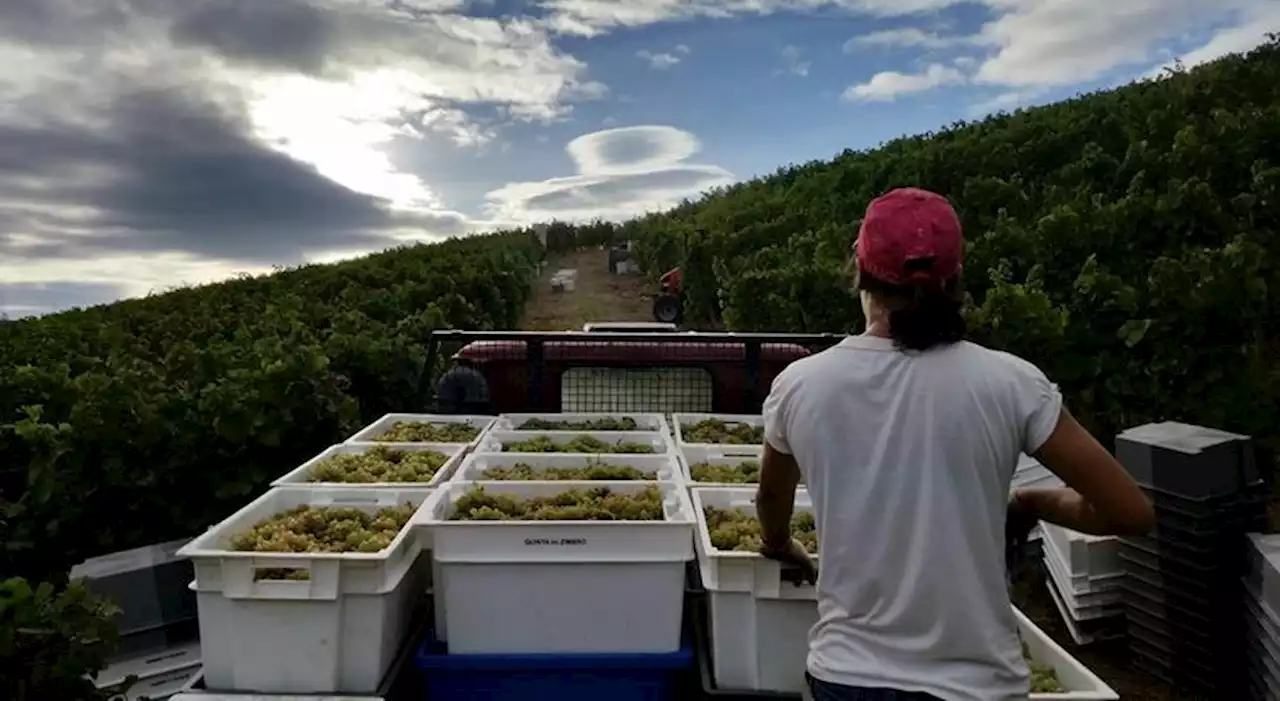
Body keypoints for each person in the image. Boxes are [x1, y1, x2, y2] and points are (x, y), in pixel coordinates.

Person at [754, 187, 1155, 701]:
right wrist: (1031, 501)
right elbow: (1130, 513)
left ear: (859, 269)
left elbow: (771, 500)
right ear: (956, 276)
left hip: (849, 677)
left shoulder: (801, 385)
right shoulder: (1011, 383)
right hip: (978, 685)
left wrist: (779, 545)